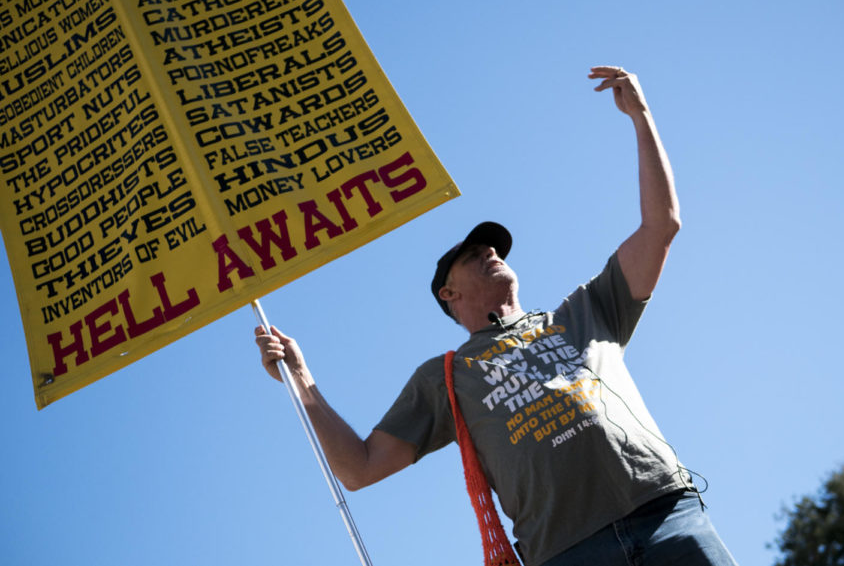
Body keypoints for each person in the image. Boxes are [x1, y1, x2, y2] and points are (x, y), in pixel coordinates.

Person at [255, 66, 737, 565]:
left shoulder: (585, 312)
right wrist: (302, 377)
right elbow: (359, 469)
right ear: (449, 293)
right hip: (567, 553)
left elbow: (662, 226)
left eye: (492, 247)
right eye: (473, 254)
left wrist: (641, 116)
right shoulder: (446, 378)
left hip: (665, 516)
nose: (490, 250)